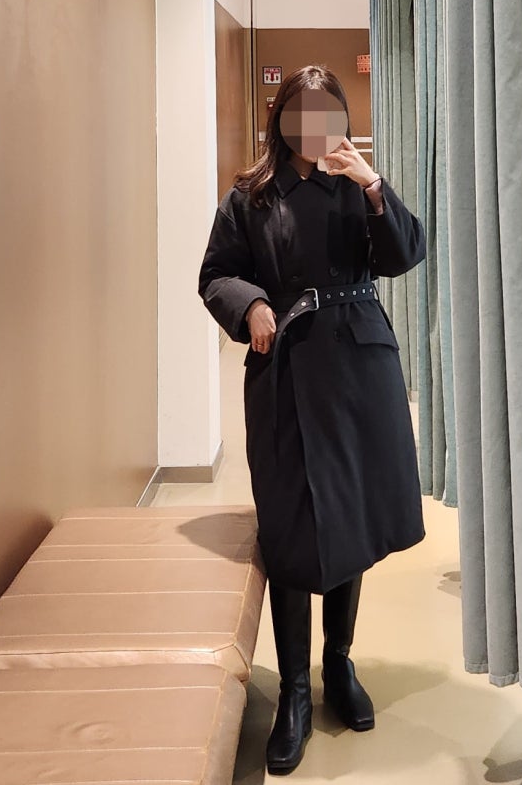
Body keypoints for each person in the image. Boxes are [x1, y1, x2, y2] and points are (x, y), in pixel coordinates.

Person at [198, 65, 425, 775]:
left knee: (349, 512)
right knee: (292, 521)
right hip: (286, 370)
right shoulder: (251, 194)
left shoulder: (356, 185)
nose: (314, 126)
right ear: (282, 118)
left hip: (358, 369)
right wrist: (251, 305)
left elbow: (404, 255)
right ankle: (295, 689)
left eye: (328, 112)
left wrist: (373, 185)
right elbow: (216, 273)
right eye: (302, 111)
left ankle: (338, 664)